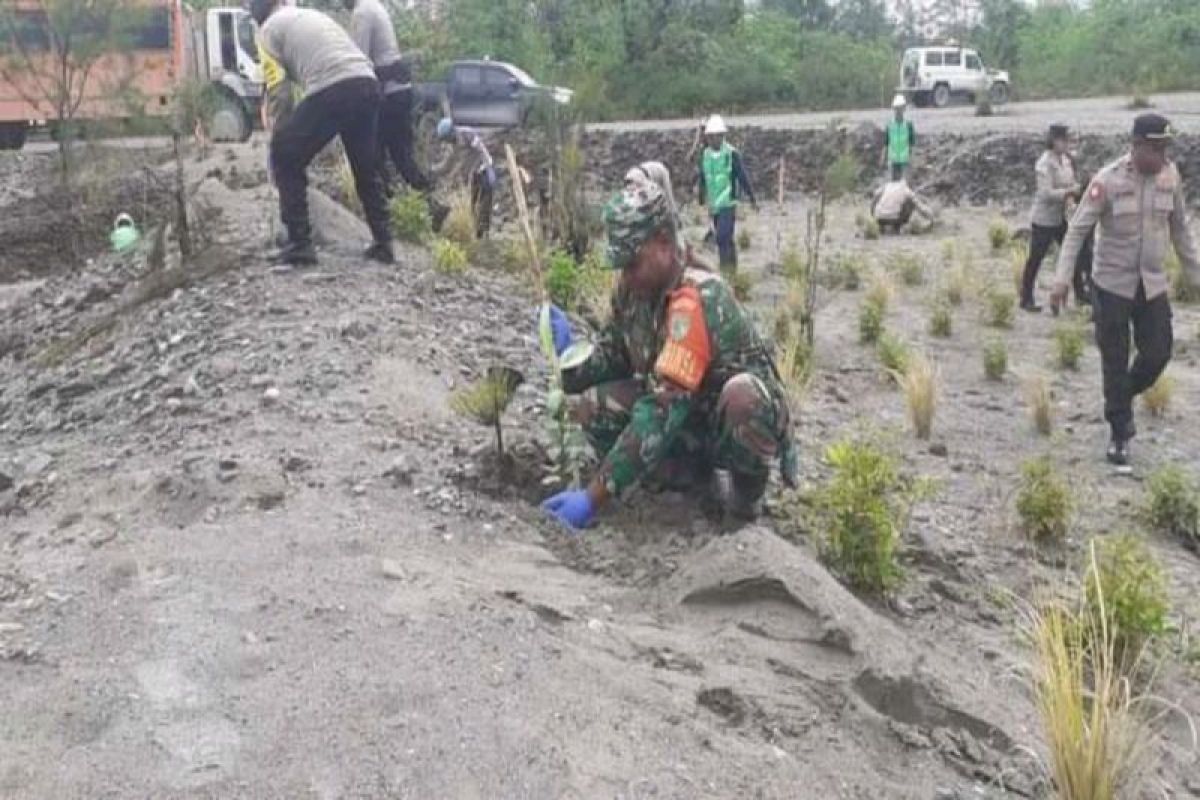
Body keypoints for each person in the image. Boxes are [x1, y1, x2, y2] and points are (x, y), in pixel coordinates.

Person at [539, 181, 797, 531]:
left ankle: (744, 501)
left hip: (728, 420)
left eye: (632, 262)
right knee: (594, 405)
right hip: (689, 418)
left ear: (663, 242)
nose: (625, 276)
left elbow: (662, 408)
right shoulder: (635, 292)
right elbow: (614, 354)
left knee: (743, 398)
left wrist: (593, 496)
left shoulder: (696, 297)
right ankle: (688, 481)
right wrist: (568, 358)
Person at [1053, 113, 1200, 465]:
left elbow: (1180, 230)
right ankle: (1120, 433)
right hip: (1111, 287)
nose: (1162, 156)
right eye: (1155, 148)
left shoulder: (1170, 176)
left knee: (1159, 353)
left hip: (1151, 285)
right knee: (1114, 360)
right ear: (1135, 146)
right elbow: (1076, 230)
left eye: (1165, 148)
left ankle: (1119, 398)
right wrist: (1061, 278)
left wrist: (1196, 275)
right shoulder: (1107, 180)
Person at [252, 0, 393, 266]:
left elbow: (279, 93)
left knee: (285, 153)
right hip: (366, 82)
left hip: (334, 86)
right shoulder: (307, 15)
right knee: (365, 166)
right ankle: (384, 243)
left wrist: (280, 141)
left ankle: (299, 245)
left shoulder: (267, 32)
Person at [342, 0, 429, 195]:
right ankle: (426, 203)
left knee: (377, 155)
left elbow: (357, 60)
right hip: (399, 90)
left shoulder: (362, 13)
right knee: (401, 155)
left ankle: (393, 205)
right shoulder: (374, 6)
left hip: (388, 95)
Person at [1021, 124, 1081, 312]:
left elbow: (1070, 181)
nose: (1067, 144)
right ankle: (1026, 297)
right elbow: (1046, 193)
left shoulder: (1066, 160)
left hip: (1061, 217)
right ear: (1054, 141)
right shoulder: (1044, 163)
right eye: (1064, 140)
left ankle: (1081, 295)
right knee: (1036, 258)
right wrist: (1069, 191)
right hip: (1044, 219)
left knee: (1073, 254)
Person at [697, 114, 757, 275]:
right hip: (714, 205)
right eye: (711, 137)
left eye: (717, 136)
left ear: (722, 136)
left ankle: (725, 270)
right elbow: (703, 176)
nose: (714, 140)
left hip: (728, 203)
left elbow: (742, 176)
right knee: (726, 239)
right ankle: (732, 270)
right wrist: (701, 196)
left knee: (722, 237)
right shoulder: (705, 154)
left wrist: (752, 198)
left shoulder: (731, 154)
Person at [435, 117, 495, 238]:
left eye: (447, 139)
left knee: (484, 205)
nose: (448, 142)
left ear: (452, 132)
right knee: (473, 206)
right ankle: (476, 234)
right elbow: (449, 161)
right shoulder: (455, 143)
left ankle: (484, 235)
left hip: (484, 171)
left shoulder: (468, 134)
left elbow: (482, 151)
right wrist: (435, 171)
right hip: (473, 176)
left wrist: (488, 169)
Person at [870, 176, 935, 234]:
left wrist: (873, 215)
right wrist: (931, 217)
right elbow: (920, 207)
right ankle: (896, 228)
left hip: (878, 217)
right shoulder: (906, 190)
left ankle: (881, 228)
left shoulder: (886, 186)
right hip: (895, 218)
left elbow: (874, 200)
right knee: (910, 203)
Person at [881, 94, 916, 180]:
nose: (898, 111)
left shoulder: (908, 125)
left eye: (900, 108)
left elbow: (912, 144)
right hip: (893, 161)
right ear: (894, 109)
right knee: (893, 185)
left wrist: (912, 159)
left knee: (904, 185)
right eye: (896, 108)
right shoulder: (890, 125)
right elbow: (886, 143)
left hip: (905, 161)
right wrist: (883, 158)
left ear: (904, 109)